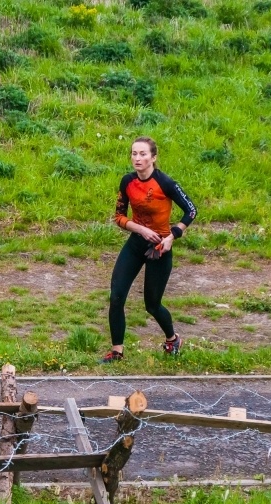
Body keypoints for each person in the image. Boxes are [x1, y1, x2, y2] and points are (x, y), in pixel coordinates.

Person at [102, 136, 197, 363]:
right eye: (134, 153)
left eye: (143, 154)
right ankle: (117, 351)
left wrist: (173, 235)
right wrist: (141, 230)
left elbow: (191, 210)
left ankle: (173, 339)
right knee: (116, 297)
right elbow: (119, 216)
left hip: (160, 248)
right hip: (136, 243)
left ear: (153, 157)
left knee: (152, 305)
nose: (137, 158)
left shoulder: (166, 183)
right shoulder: (127, 182)